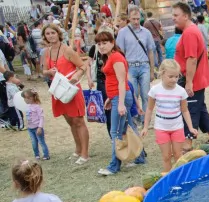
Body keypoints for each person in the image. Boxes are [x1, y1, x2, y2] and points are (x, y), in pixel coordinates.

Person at [96, 30, 146, 176]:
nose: (102, 46)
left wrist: (121, 103)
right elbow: (114, 81)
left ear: (112, 42)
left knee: (116, 132)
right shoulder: (110, 57)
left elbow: (122, 82)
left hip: (121, 97)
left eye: (105, 43)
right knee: (129, 128)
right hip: (117, 97)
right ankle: (140, 157)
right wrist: (110, 98)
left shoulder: (116, 57)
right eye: (99, 44)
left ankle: (113, 166)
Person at [173, 2, 209, 148]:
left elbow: (192, 59)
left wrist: (188, 82)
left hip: (193, 79)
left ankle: (188, 142)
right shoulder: (191, 30)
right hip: (196, 78)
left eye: (176, 15)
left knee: (190, 108)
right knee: (199, 106)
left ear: (186, 16)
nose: (173, 18)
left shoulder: (189, 33)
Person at [41, 23, 90, 164]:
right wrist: (48, 72)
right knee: (70, 122)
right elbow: (44, 70)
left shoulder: (67, 50)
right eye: (48, 34)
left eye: (53, 33)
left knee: (78, 121)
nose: (50, 36)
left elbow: (82, 66)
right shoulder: (47, 52)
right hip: (58, 90)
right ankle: (78, 149)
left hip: (70, 88)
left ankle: (85, 154)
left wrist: (75, 77)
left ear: (58, 34)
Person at [142, 60, 197, 171]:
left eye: (176, 76)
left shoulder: (181, 91)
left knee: (178, 155)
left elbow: (185, 110)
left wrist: (190, 127)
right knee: (166, 156)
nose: (174, 79)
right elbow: (149, 109)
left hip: (177, 127)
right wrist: (145, 127)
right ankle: (167, 177)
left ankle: (179, 176)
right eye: (170, 76)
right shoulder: (154, 90)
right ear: (162, 74)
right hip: (161, 127)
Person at [116, 6, 155, 119]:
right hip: (130, 66)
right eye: (133, 19)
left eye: (138, 19)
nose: (136, 21)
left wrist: (152, 70)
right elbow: (121, 53)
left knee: (146, 95)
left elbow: (150, 52)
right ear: (129, 18)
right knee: (133, 95)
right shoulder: (122, 33)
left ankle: (145, 119)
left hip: (144, 66)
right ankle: (133, 117)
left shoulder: (146, 32)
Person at [23, 89, 49, 160]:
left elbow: (41, 117)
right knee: (34, 142)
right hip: (30, 128)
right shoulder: (28, 106)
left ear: (30, 98)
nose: (24, 100)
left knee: (41, 141)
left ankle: (46, 155)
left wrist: (40, 127)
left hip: (37, 128)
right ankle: (36, 154)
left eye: (24, 98)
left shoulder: (37, 107)